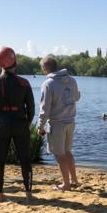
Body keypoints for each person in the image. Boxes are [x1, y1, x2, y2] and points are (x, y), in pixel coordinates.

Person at [0, 47, 35, 202]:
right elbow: (31, 108)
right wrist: (27, 122)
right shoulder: (24, 83)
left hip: (1, 123)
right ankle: (28, 192)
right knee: (25, 159)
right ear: (14, 61)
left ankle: (0, 194)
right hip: (20, 122)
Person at [37, 56, 80, 191]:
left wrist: (40, 126)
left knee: (59, 155)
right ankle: (74, 180)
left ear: (44, 68)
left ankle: (66, 185)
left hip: (57, 123)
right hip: (70, 122)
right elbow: (77, 97)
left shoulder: (48, 84)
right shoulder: (72, 80)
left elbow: (45, 109)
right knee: (67, 152)